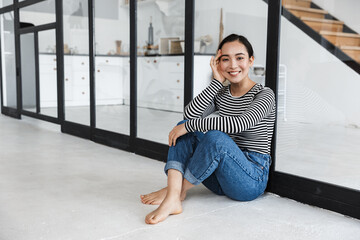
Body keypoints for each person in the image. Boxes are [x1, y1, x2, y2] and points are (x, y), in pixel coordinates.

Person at [140, 34, 276, 225]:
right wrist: (215, 83)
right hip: (221, 177)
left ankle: (177, 191)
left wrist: (191, 125)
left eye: (239, 58)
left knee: (213, 137)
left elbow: (241, 123)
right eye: (225, 59)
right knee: (183, 127)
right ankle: (173, 194)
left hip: (250, 180)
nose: (233, 65)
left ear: (251, 60)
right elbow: (190, 114)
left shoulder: (264, 94)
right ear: (218, 63)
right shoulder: (221, 93)